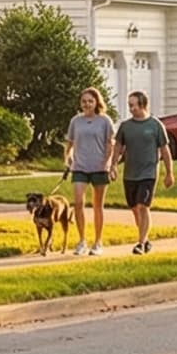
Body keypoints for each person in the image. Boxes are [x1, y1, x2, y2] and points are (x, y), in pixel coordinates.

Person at [107, 89, 176, 254]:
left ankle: (141, 243)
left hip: (148, 173)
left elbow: (165, 150)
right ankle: (145, 238)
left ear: (142, 105)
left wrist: (169, 172)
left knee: (142, 206)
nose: (130, 108)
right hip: (130, 173)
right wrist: (113, 166)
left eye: (133, 105)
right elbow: (118, 147)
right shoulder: (125, 126)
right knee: (134, 208)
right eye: (129, 105)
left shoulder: (155, 125)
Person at [62, 87, 115, 256]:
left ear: (96, 102)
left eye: (90, 101)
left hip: (99, 167)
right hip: (80, 167)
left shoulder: (105, 121)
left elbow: (110, 144)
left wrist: (107, 162)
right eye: (84, 101)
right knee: (78, 203)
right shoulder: (75, 121)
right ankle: (81, 240)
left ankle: (98, 242)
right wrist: (68, 157)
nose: (87, 104)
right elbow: (69, 143)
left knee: (97, 205)